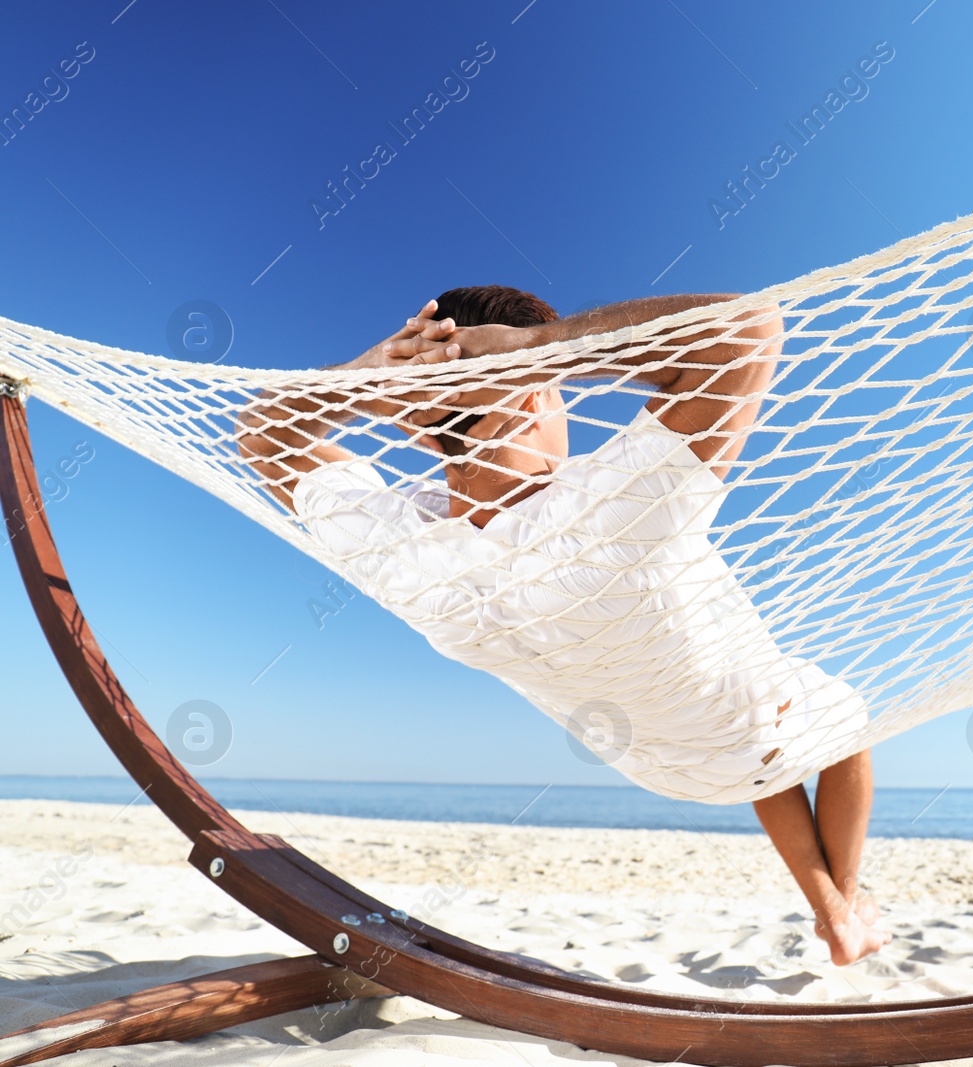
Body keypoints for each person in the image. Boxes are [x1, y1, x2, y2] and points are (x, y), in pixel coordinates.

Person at [235, 286, 888, 964]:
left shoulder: (408, 558)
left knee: (757, 752)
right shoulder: (612, 508)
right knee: (847, 722)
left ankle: (835, 914)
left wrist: (362, 382)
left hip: (659, 764)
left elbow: (261, 435)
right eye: (550, 386)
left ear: (419, 427)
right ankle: (846, 900)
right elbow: (748, 326)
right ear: (528, 395)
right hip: (744, 716)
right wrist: (538, 351)